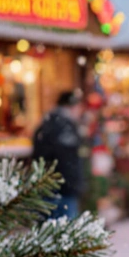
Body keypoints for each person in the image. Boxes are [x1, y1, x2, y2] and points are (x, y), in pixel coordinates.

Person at [32, 90, 85, 220]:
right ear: (72, 106)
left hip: (48, 186)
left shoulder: (48, 123)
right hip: (63, 188)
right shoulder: (64, 126)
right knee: (65, 231)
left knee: (49, 232)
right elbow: (66, 159)